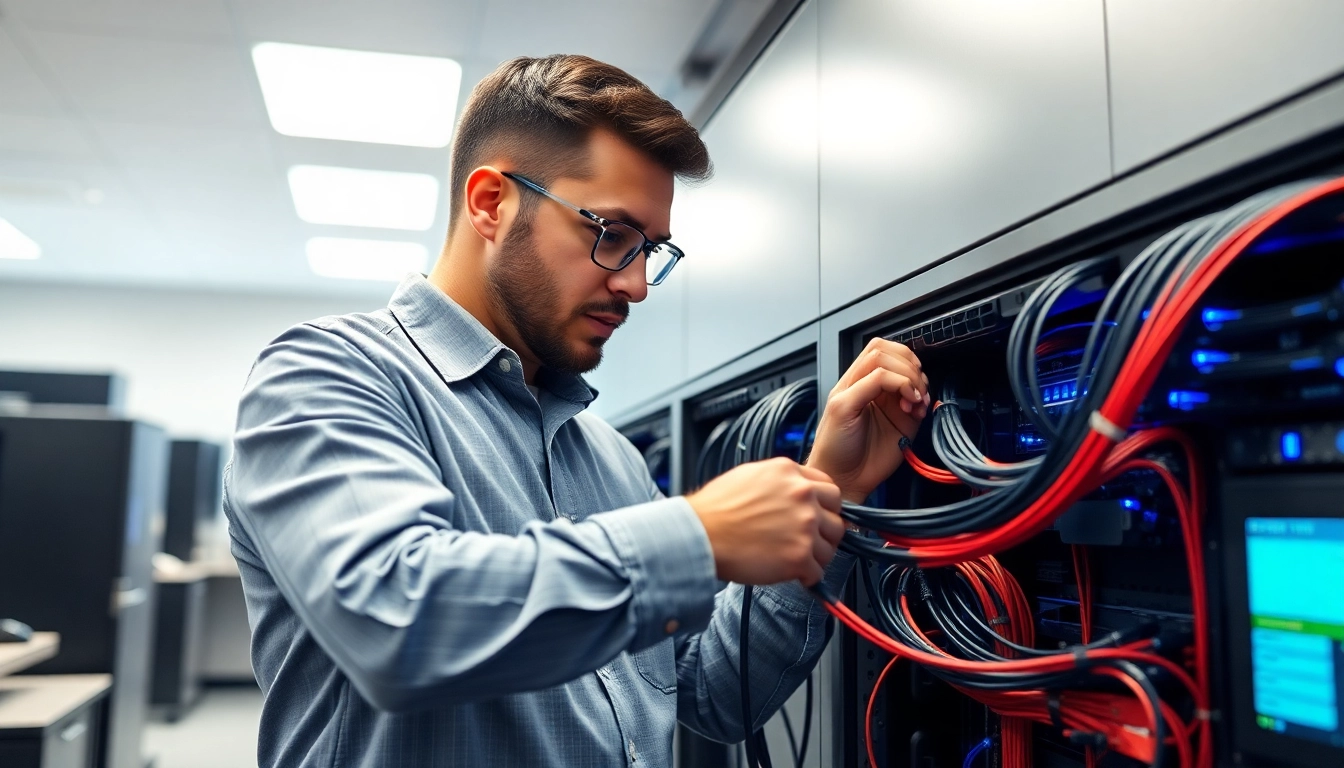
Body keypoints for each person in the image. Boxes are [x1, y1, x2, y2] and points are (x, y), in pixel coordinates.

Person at [224, 54, 929, 768]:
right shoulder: (327, 375)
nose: (636, 284)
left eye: (651, 250)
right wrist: (699, 536)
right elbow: (395, 623)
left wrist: (831, 490)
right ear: (491, 203)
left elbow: (715, 697)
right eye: (612, 234)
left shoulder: (609, 458)